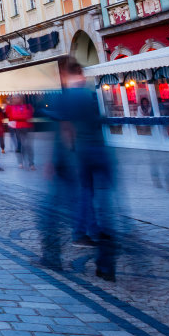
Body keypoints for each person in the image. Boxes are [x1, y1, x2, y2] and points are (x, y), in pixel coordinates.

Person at [39, 57, 117, 281]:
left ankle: (53, 254)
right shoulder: (91, 96)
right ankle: (105, 263)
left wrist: (54, 162)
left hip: (77, 159)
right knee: (102, 208)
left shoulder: (65, 98)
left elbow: (66, 130)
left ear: (64, 74)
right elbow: (99, 123)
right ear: (81, 74)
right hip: (100, 156)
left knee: (55, 208)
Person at [6, 96, 35, 170]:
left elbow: (29, 115)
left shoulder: (28, 106)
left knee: (28, 146)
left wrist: (20, 116)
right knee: (21, 146)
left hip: (28, 128)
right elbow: (12, 116)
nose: (15, 99)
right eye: (14, 98)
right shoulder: (11, 107)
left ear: (21, 98)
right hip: (18, 128)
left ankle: (31, 163)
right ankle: (21, 162)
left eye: (17, 98)